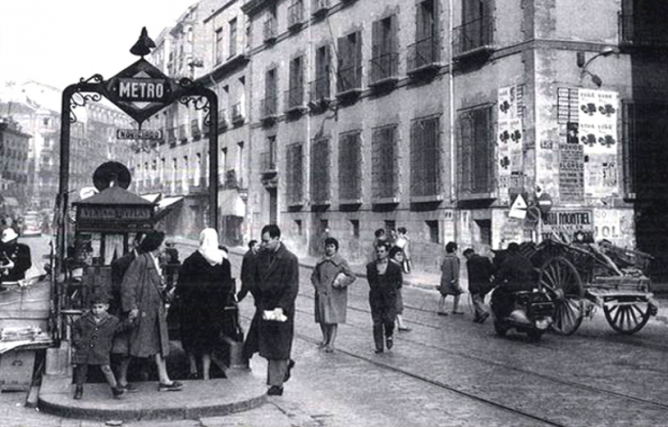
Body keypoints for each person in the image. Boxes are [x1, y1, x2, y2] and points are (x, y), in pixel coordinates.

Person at [121, 230, 182, 392]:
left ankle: (164, 380)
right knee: (133, 347)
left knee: (160, 347)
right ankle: (121, 380)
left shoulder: (155, 261)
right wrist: (132, 308)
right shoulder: (141, 261)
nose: (165, 246)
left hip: (155, 312)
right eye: (163, 243)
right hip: (144, 311)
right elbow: (128, 286)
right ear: (156, 244)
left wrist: (166, 293)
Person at [246, 224, 299, 396]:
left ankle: (276, 385)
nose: (264, 244)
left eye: (267, 241)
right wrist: (258, 299)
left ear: (277, 239)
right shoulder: (261, 256)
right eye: (262, 240)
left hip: (281, 310)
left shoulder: (290, 259)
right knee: (268, 346)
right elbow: (252, 278)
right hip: (265, 307)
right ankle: (283, 369)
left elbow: (292, 287)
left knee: (279, 346)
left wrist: (281, 307)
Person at [175, 228, 233, 380]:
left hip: (192, 310)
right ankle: (206, 373)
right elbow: (227, 287)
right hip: (213, 311)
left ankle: (193, 368)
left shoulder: (191, 261)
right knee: (208, 342)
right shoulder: (223, 263)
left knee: (190, 340)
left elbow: (181, 286)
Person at [71, 292, 129, 400]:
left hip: (101, 349)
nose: (97, 310)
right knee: (81, 369)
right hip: (84, 348)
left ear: (107, 307)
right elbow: (75, 328)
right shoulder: (84, 320)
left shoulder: (113, 321)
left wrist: (130, 321)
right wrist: (77, 340)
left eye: (100, 307)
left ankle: (115, 389)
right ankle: (79, 389)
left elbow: (119, 328)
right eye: (94, 307)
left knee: (106, 368)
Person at [110, 232, 145, 392]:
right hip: (125, 310)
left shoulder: (147, 260)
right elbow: (117, 290)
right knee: (124, 346)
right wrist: (129, 307)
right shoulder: (122, 263)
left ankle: (136, 373)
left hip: (142, 309)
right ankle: (121, 379)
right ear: (136, 242)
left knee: (138, 343)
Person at [310, 237, 356, 353]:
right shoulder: (320, 261)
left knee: (332, 319)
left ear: (336, 248)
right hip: (321, 294)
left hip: (335, 295)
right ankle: (325, 339)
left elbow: (351, 276)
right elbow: (314, 276)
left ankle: (331, 343)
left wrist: (341, 282)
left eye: (332, 246)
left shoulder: (341, 261)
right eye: (327, 246)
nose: (329, 249)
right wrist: (317, 286)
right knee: (322, 318)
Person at [366, 241, 402, 354]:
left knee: (389, 321)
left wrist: (390, 290)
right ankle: (379, 346)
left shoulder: (395, 267)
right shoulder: (371, 266)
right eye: (377, 251)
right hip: (376, 298)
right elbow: (370, 281)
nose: (379, 254)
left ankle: (389, 334)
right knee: (377, 323)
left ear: (387, 252)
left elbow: (399, 282)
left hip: (389, 299)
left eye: (382, 251)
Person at [492, 242, 536, 320]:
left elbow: (501, 274)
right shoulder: (527, 260)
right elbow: (533, 272)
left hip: (514, 286)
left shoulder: (509, 261)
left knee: (499, 294)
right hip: (529, 286)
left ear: (510, 251)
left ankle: (504, 316)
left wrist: (496, 282)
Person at [463, 248, 494, 324]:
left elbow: (471, 275)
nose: (466, 258)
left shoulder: (470, 262)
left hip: (475, 283)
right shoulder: (485, 259)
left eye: (466, 256)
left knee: (476, 300)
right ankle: (478, 316)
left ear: (469, 254)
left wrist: (470, 286)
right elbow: (491, 270)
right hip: (485, 283)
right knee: (481, 298)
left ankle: (483, 312)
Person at [437, 242, 463, 316]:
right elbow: (455, 271)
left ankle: (440, 309)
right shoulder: (454, 259)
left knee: (443, 294)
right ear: (454, 249)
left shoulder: (445, 258)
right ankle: (455, 309)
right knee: (458, 293)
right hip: (452, 280)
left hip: (444, 279)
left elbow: (441, 268)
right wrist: (455, 280)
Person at [388, 246, 411, 332]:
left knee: (397, 307)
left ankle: (400, 324)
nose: (401, 257)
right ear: (393, 255)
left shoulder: (396, 265)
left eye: (401, 255)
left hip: (395, 290)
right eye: (398, 255)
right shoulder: (392, 266)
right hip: (391, 290)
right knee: (392, 307)